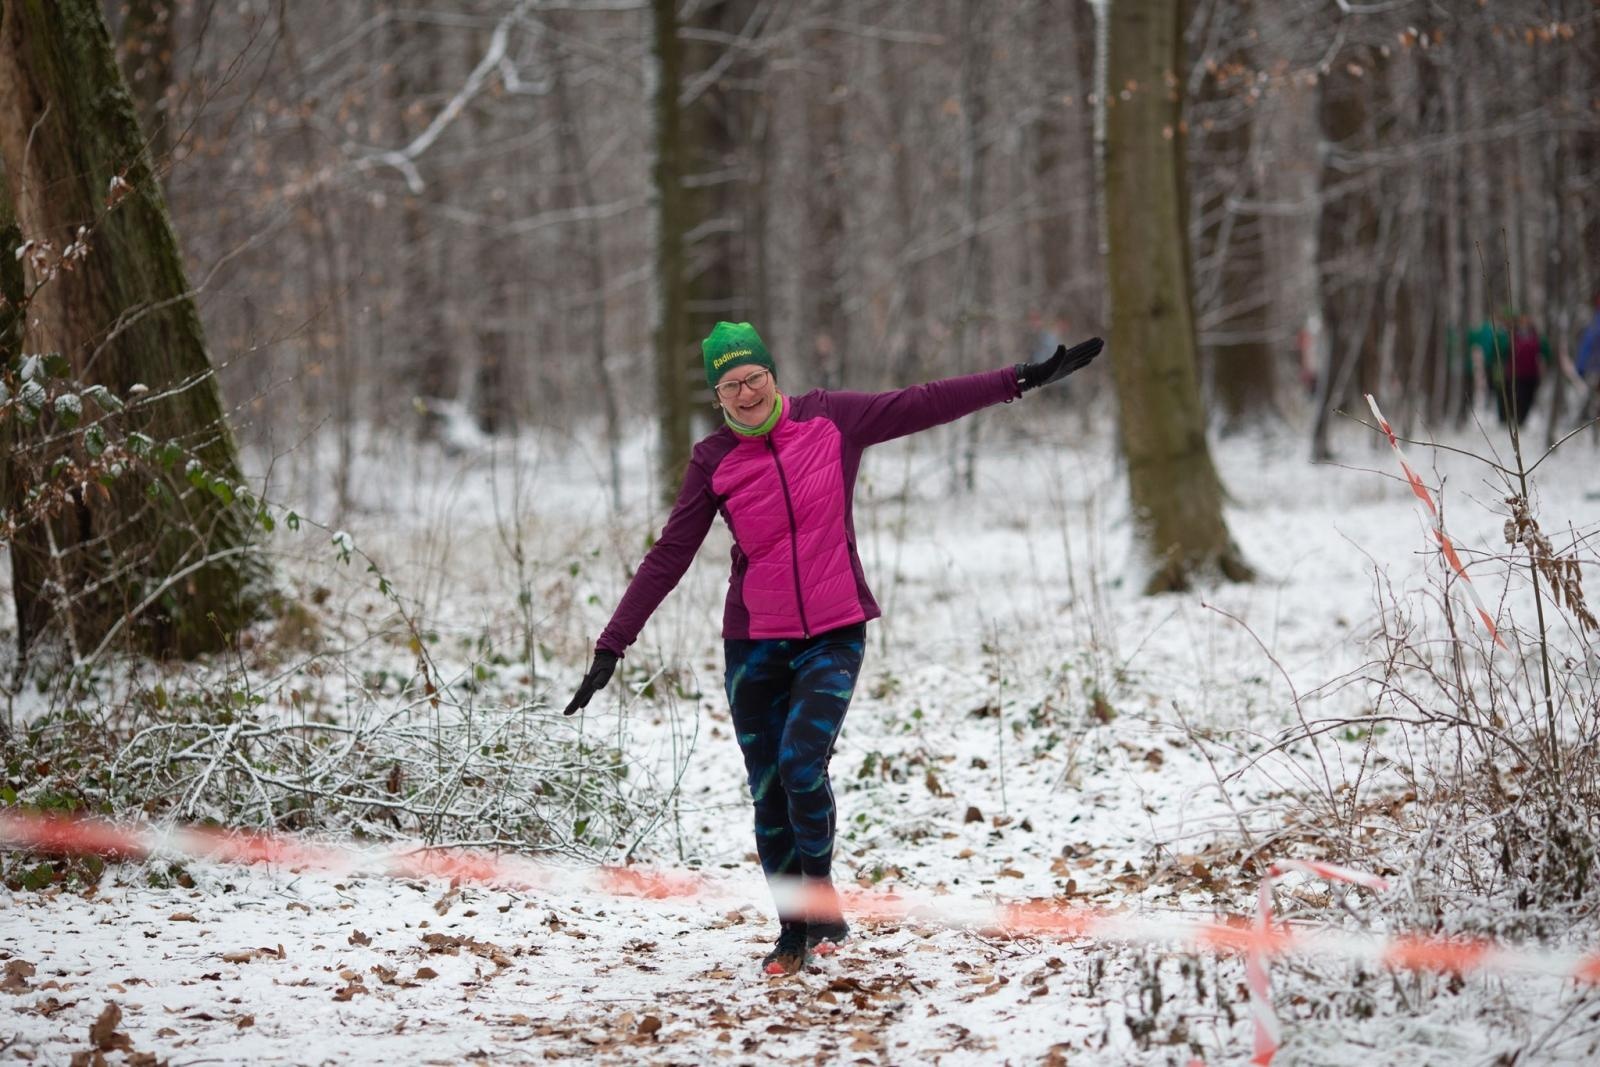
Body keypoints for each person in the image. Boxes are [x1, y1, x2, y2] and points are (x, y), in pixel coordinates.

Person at [563, 320, 1103, 975]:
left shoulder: (830, 420)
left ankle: (817, 892)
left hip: (833, 631)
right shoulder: (713, 461)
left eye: (753, 378)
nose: (746, 393)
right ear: (718, 397)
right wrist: (612, 644)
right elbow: (670, 554)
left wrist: (1018, 379)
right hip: (753, 645)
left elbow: (922, 400)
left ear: (772, 375)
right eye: (730, 386)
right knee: (768, 792)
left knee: (800, 765)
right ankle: (793, 930)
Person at [1506, 312, 1550, 429]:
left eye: (1527, 321)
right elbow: (1506, 351)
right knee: (1519, 397)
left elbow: (1544, 351)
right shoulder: (1513, 336)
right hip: (1517, 373)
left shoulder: (1535, 336)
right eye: (1522, 321)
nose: (1524, 323)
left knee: (1529, 398)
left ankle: (1523, 419)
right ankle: (1518, 419)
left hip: (1532, 373)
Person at [1576, 292, 1600, 424]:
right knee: (1592, 397)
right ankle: (1587, 421)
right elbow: (1587, 344)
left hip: (1593, 367)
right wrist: (1581, 365)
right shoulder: (1594, 321)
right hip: (1594, 367)